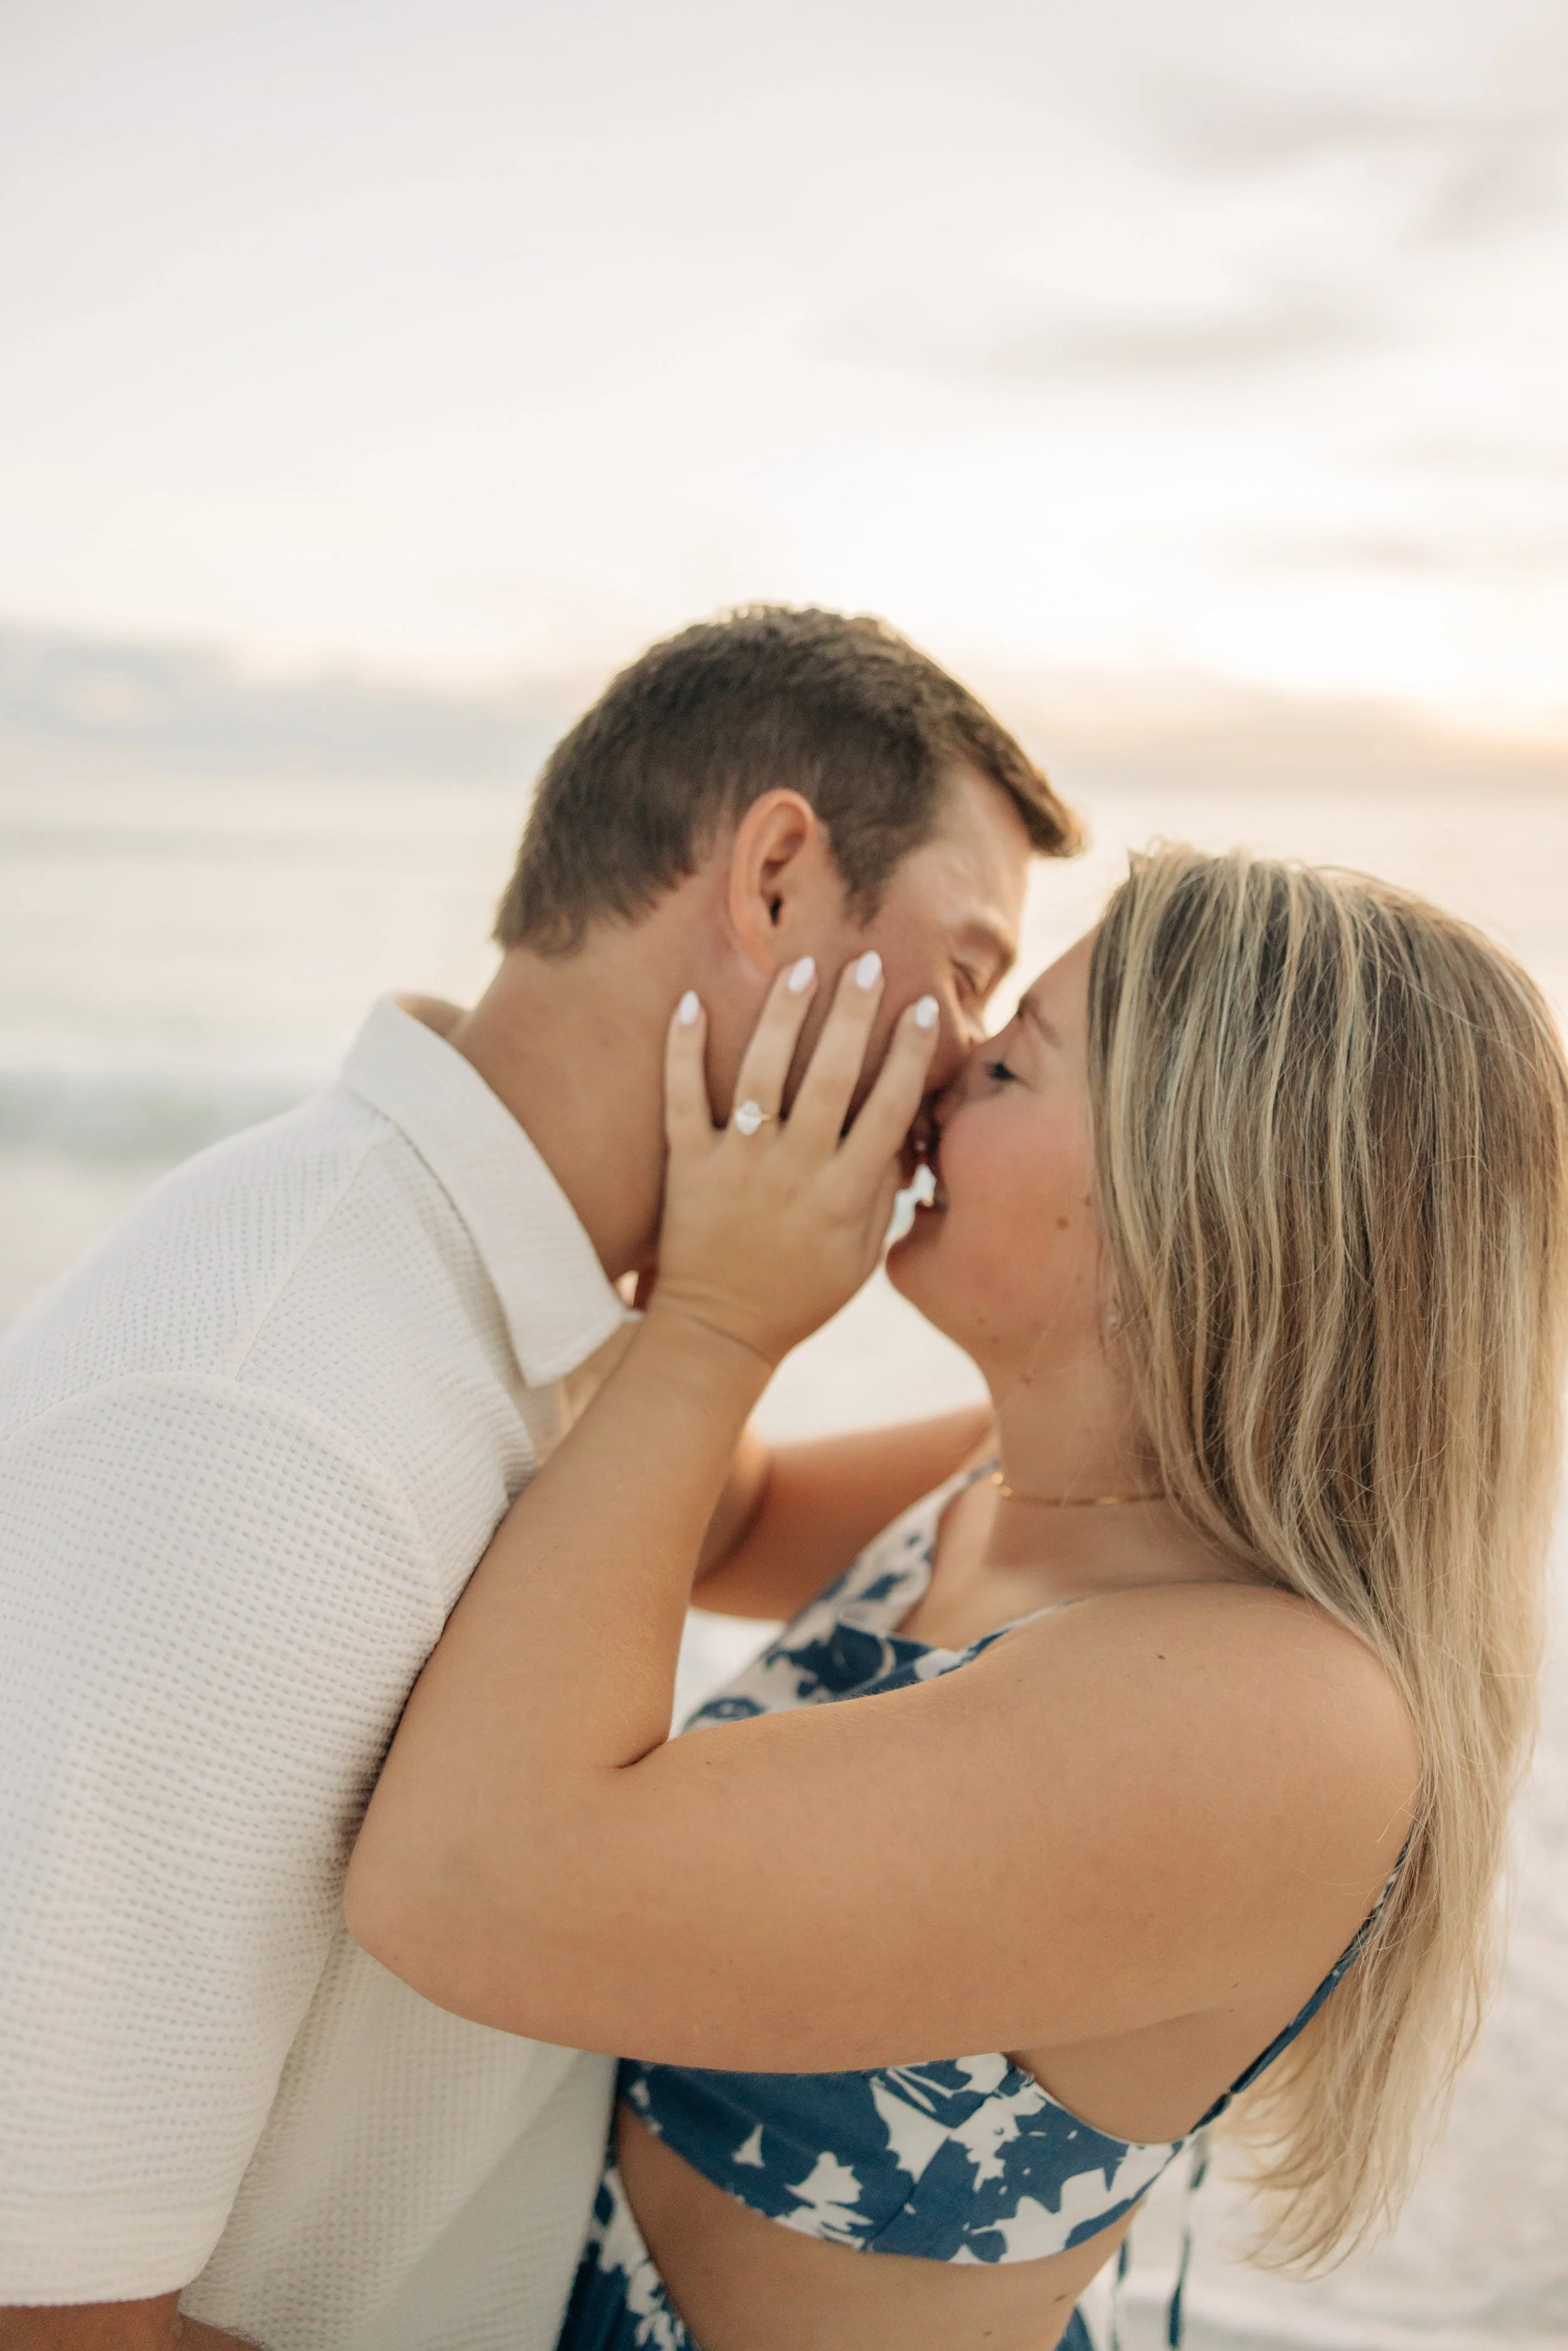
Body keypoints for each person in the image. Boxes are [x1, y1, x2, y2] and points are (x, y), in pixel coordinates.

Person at [0, 609, 1076, 2351]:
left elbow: (730, 1514)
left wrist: (1233, 1373)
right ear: (779, 879)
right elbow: (45, 2301)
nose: (966, 1063)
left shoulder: (531, 1298)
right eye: (961, 967)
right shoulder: (267, 1420)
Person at [344, 847, 1568, 2351]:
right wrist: (669, 1204)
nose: (937, 1064)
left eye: (1009, 1065)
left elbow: (460, 1886)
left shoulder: (1279, 1714)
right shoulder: (1025, 1484)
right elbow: (708, 1510)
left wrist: (726, 1325)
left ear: (1191, 1199)